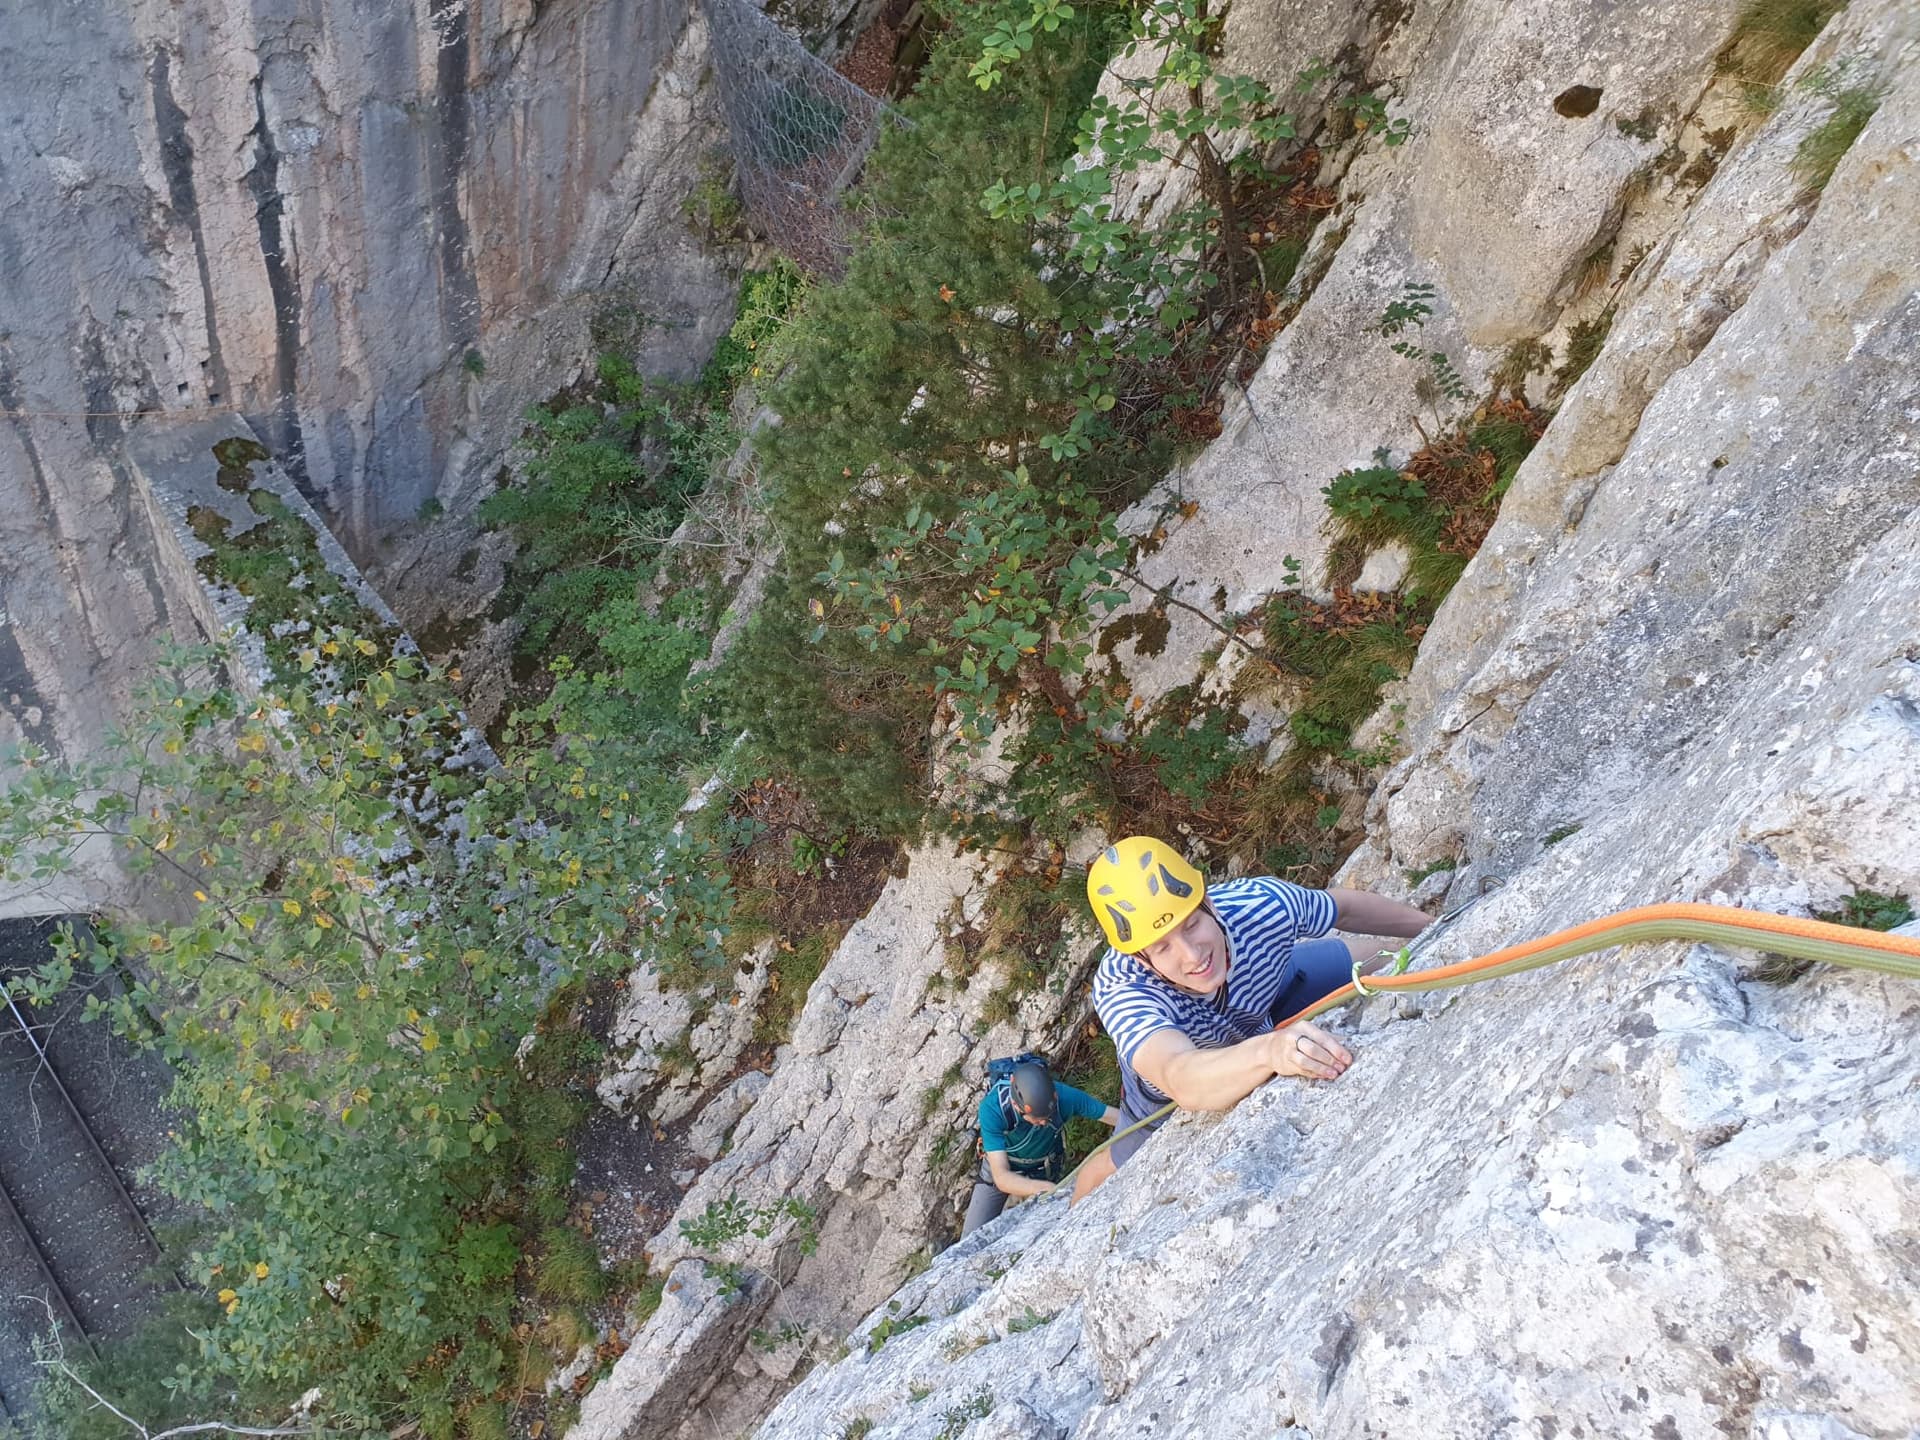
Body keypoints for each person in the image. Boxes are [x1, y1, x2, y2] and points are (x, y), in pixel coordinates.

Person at [1071, 835, 1430, 1203]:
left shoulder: (1258, 906)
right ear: (1141, 958)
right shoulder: (1124, 988)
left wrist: (1433, 926)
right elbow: (1180, 1075)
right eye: (1162, 947)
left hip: (1266, 998)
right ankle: (1072, 1214)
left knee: (1388, 957)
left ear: (1208, 902)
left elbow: (1345, 909)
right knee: (1113, 1164)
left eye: (1192, 925)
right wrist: (1269, 1052)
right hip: (1165, 1098)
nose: (1192, 955)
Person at [961, 1057, 1118, 1235]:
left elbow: (1111, 1115)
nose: (1045, 1121)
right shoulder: (993, 1109)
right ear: (1017, 1106)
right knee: (970, 1236)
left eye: (1048, 1116)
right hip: (1000, 1168)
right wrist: (1042, 1188)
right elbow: (1002, 1177)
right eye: (1038, 1119)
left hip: (1044, 1167)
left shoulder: (1064, 1097)